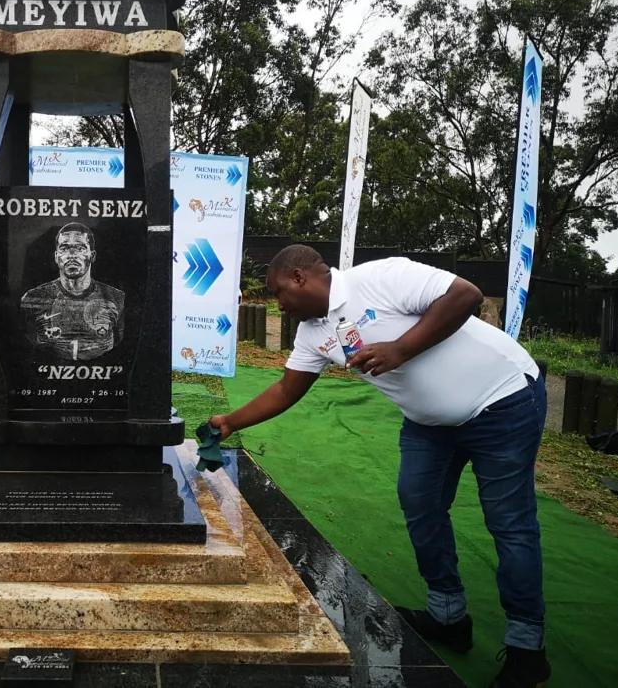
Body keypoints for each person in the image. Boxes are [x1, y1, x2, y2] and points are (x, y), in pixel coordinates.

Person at [210, 245, 549, 688]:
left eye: (278, 293)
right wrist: (230, 421)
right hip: (430, 424)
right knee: (420, 505)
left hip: (503, 400)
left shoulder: (379, 278)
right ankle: (448, 616)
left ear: (298, 277)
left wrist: (401, 349)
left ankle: (527, 649)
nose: (279, 305)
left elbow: (466, 295)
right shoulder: (312, 333)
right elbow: (286, 390)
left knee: (508, 522)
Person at [20, 222, 124, 361]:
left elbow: (122, 347)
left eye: (80, 248)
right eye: (64, 248)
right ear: (56, 256)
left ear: (92, 255)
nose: (72, 255)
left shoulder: (116, 298)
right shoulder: (33, 298)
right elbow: (26, 349)